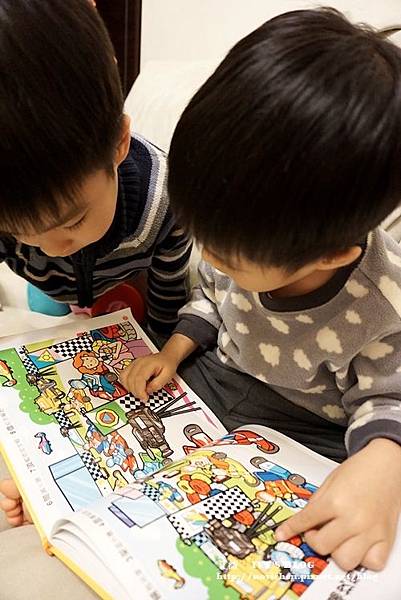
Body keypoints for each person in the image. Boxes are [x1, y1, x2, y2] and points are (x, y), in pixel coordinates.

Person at [122, 9, 401, 573]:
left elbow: (388, 400)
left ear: (328, 256)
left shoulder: (381, 303)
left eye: (227, 256)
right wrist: (173, 351)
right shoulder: (242, 234)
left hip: (309, 430)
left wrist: (383, 464)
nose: (208, 257)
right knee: (123, 445)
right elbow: (211, 299)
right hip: (214, 383)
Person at [0, 0, 190, 566]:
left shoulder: (164, 198)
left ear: (118, 143)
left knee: (134, 309)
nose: (50, 242)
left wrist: (160, 348)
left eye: (71, 220)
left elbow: (172, 285)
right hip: (52, 293)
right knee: (48, 308)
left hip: (127, 274)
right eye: (20, 230)